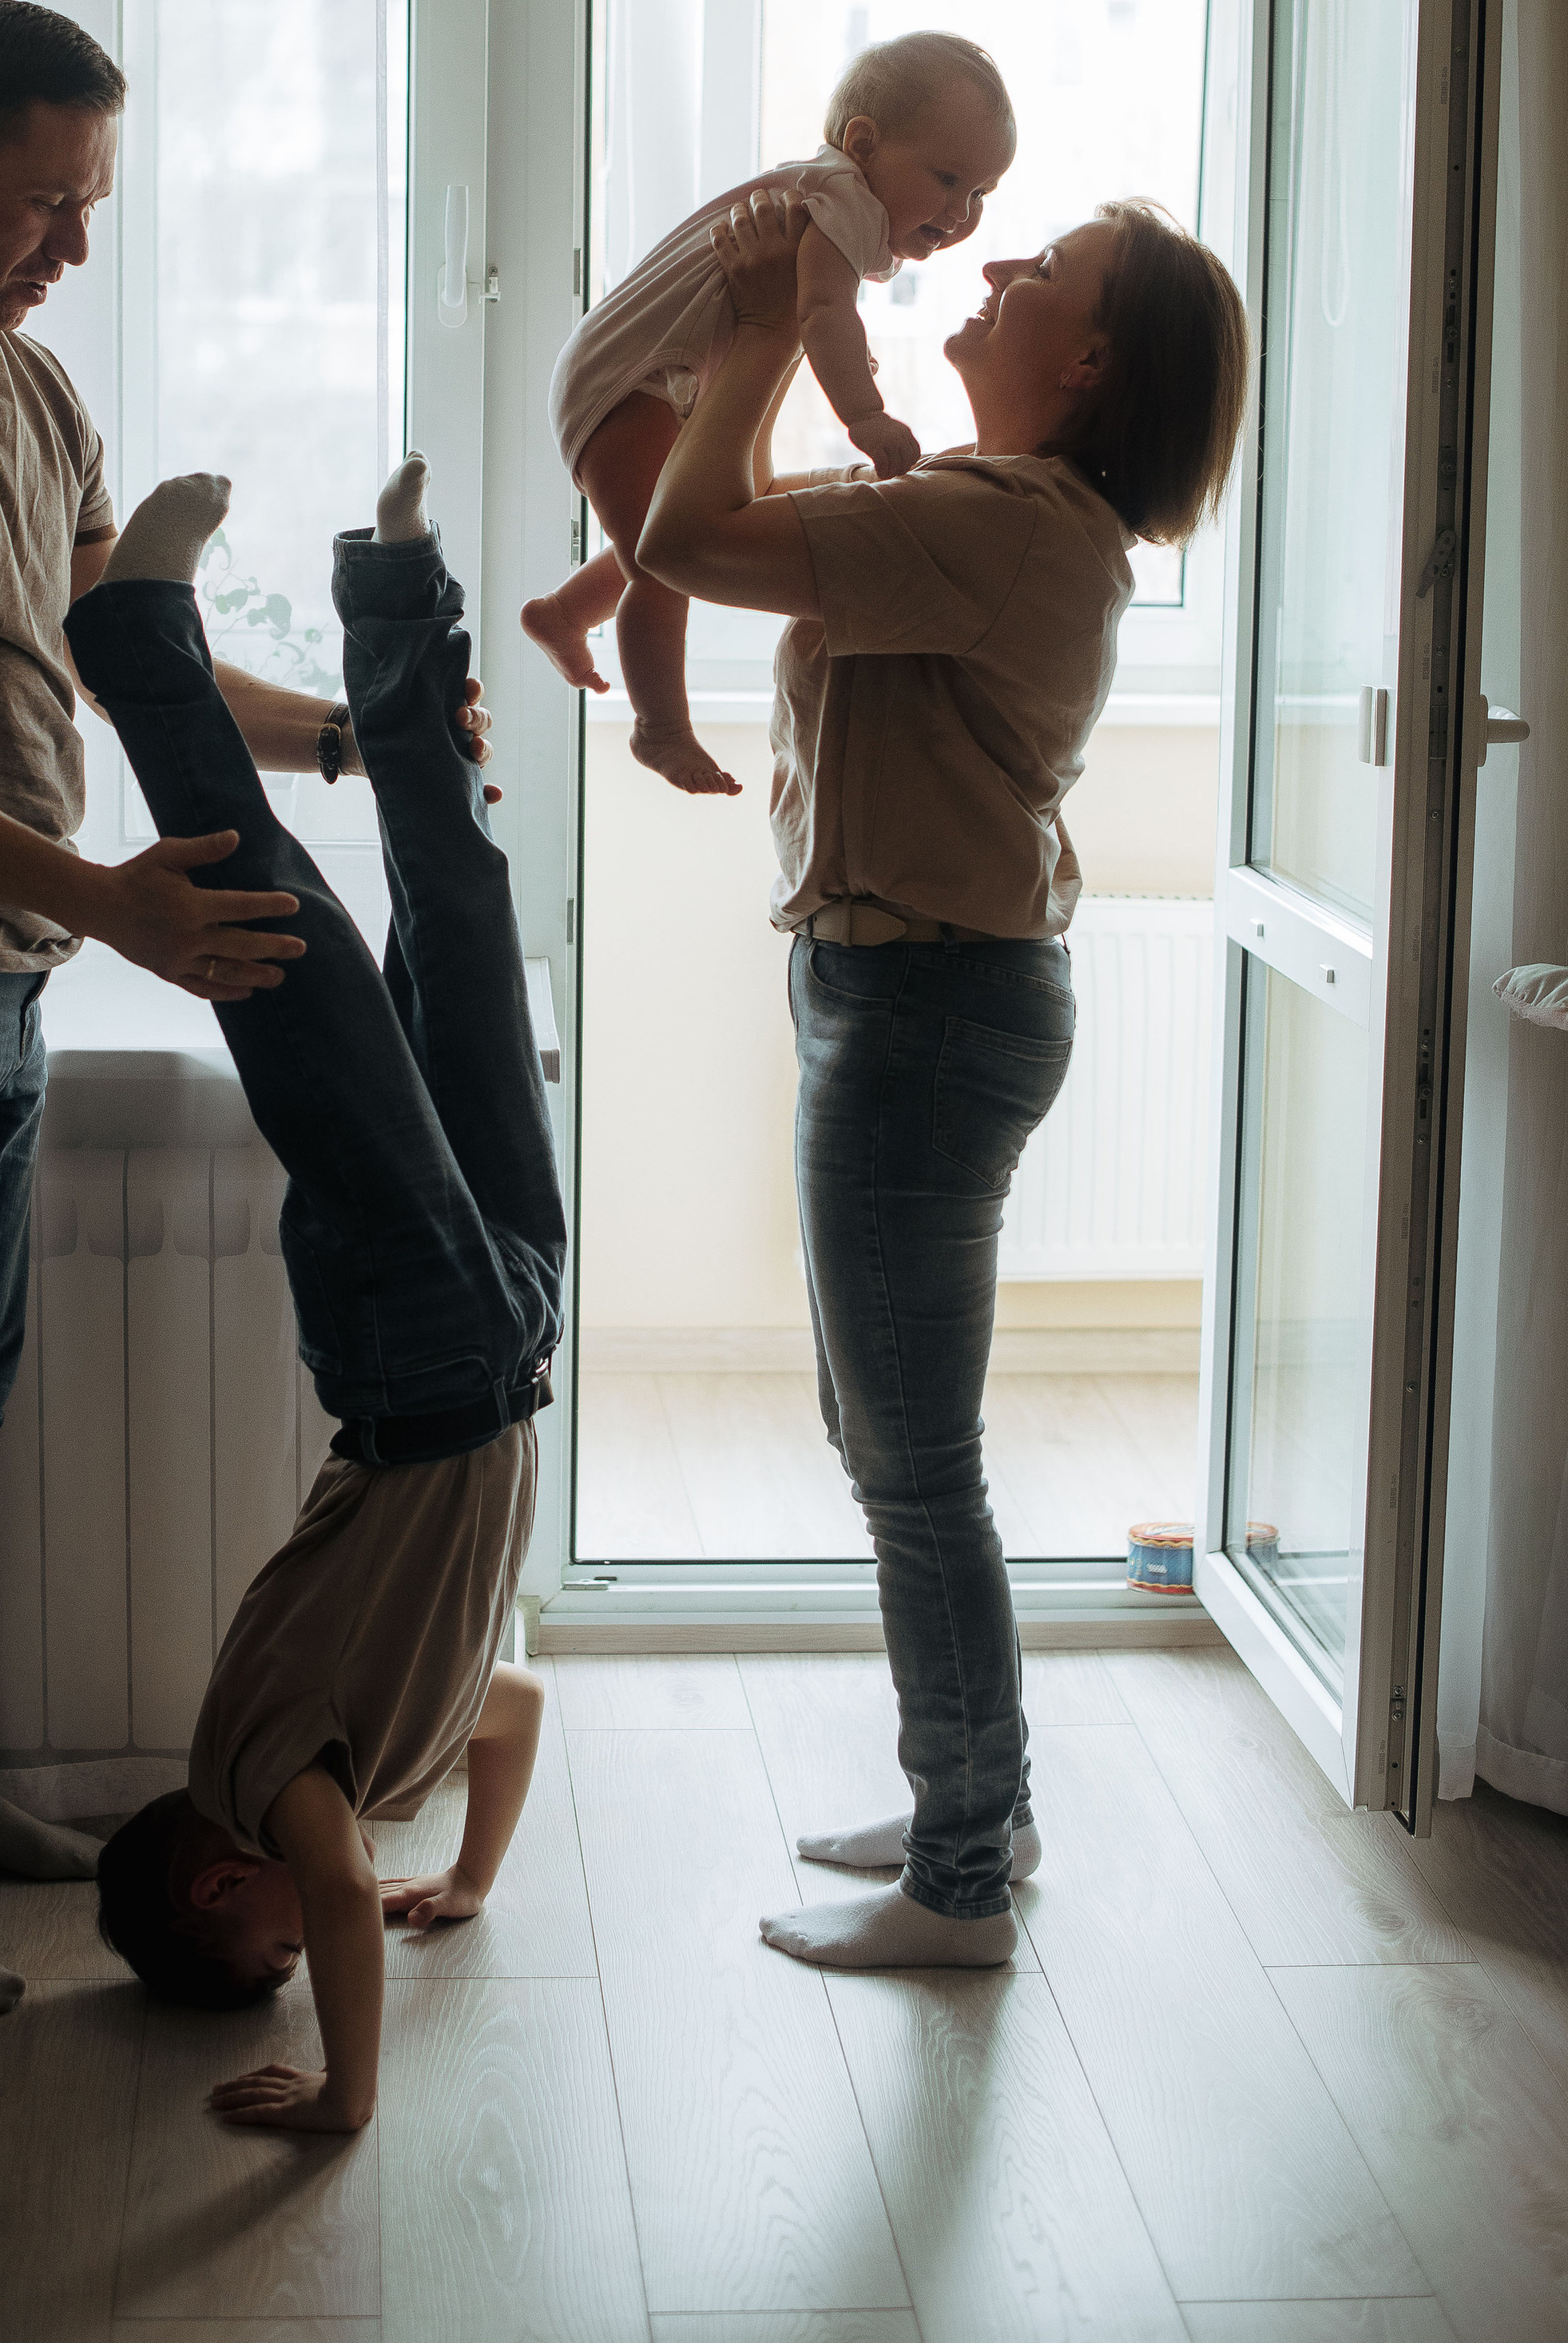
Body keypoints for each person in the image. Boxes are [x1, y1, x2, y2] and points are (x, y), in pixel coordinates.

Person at [0, 0, 486, 2026]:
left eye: (92, 204)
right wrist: (112, 906)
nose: (70, 240)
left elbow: (113, 649)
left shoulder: (31, 392)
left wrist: (353, 742)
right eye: (44, 197)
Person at [636, 185, 1248, 1970]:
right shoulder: (986, 514)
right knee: (886, 1439)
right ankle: (979, 1802)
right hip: (904, 998)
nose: (990, 268)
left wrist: (755, 330)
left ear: (1085, 360)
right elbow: (729, 526)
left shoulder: (996, 522)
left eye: (1036, 266)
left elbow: (684, 538)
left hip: (920, 1017)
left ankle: (960, 1879)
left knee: (910, 1469)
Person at [77, 456, 564, 2137]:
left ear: (223, 1889)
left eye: (271, 1953)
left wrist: (350, 2098)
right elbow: (516, 1713)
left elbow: (339, 1893)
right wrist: (477, 1888)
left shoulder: (254, 1773)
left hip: (418, 1347)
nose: (315, 1927)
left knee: (294, 953)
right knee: (463, 911)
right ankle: (395, 587)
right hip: (510, 1325)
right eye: (306, 1960)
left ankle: (136, 638)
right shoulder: (390, 1758)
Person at [521, 31, 1016, 795]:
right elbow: (822, 317)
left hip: (653, 375)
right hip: (628, 381)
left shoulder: (828, 193)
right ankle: (660, 728)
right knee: (661, 557)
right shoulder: (843, 197)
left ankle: (564, 612)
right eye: (948, 178)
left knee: (682, 524)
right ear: (863, 143)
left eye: (981, 193)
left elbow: (809, 317)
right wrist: (867, 415)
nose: (962, 213)